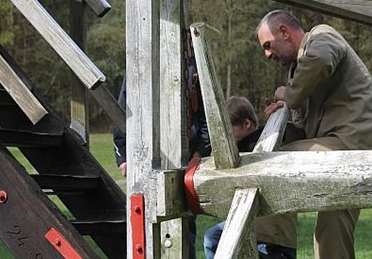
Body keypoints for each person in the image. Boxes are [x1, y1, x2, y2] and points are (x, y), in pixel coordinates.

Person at [256, 10, 372, 259]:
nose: (266, 55)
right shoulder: (298, 72)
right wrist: (281, 119)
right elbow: (303, 131)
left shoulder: (322, 35)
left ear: (284, 32)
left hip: (356, 147)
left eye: (268, 45)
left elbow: (321, 59)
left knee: (272, 164)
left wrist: (288, 95)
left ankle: (274, 250)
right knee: (331, 230)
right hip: (340, 148)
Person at [113, 58, 211, 259]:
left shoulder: (195, 69)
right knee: (143, 230)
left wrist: (199, 153)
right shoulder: (138, 68)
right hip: (144, 162)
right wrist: (123, 157)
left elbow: (206, 119)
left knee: (184, 232)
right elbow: (122, 116)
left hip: (185, 163)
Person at [203, 96, 297, 259]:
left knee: (214, 238)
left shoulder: (264, 141)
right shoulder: (239, 148)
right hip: (256, 227)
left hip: (273, 238)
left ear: (246, 124)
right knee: (212, 238)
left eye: (228, 131)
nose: (224, 138)